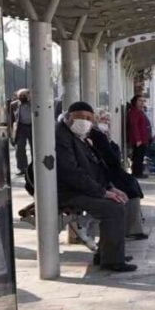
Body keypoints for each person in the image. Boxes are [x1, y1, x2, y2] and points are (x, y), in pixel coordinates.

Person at [56, 102, 136, 272]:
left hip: (82, 188)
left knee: (121, 198)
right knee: (112, 209)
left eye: (88, 119)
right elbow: (71, 173)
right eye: (80, 117)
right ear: (69, 117)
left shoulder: (80, 136)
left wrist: (109, 188)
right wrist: (103, 193)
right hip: (67, 191)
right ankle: (112, 260)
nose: (84, 122)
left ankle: (108, 253)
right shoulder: (61, 136)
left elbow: (95, 167)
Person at [91, 113, 148, 241]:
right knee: (130, 190)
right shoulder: (97, 136)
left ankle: (132, 228)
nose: (106, 123)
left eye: (107, 120)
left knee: (131, 185)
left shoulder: (102, 136)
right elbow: (112, 159)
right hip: (104, 175)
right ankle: (131, 229)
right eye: (102, 120)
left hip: (108, 173)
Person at [126, 94, 151, 178]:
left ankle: (138, 172)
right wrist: (137, 139)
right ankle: (137, 173)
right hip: (139, 140)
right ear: (135, 101)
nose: (142, 103)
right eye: (140, 101)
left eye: (143, 101)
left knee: (140, 156)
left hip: (143, 139)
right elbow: (134, 126)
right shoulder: (134, 112)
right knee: (137, 157)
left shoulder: (139, 111)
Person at [11, 89, 32, 176]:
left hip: (32, 127)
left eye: (24, 96)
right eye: (20, 96)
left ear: (28, 96)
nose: (22, 98)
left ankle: (35, 167)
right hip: (21, 127)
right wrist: (11, 130)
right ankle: (23, 168)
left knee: (35, 148)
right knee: (19, 148)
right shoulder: (14, 105)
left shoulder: (34, 103)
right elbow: (11, 118)